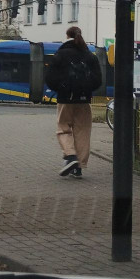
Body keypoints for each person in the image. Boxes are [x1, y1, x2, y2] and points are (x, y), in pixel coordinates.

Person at [45, 26, 102, 179]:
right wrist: (86, 89)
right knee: (82, 132)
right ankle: (79, 168)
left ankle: (71, 156)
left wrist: (61, 88)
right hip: (84, 101)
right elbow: (98, 80)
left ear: (67, 35)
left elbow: (49, 78)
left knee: (63, 128)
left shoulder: (60, 54)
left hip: (65, 99)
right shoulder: (90, 56)